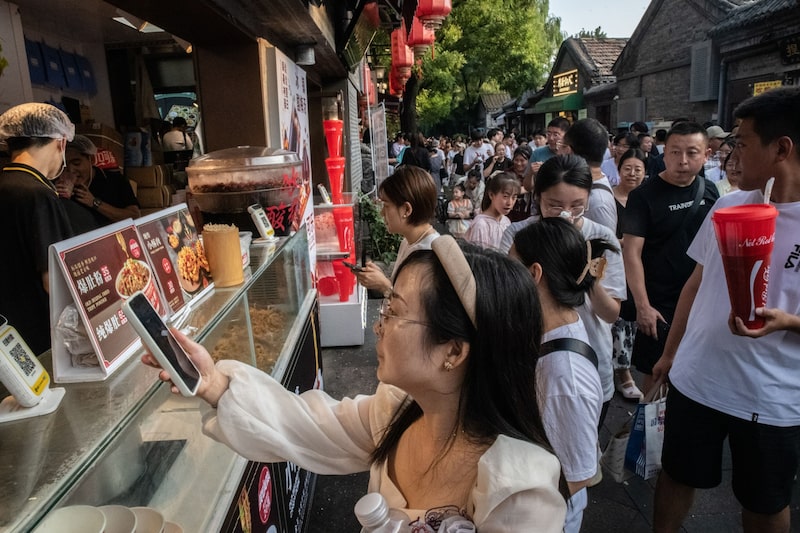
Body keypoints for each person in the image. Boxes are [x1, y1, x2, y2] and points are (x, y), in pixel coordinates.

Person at [143, 236, 569, 531]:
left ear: (453, 352)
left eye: (394, 311)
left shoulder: (517, 490)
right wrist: (213, 381)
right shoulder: (395, 413)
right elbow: (304, 423)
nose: (379, 328)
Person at [651, 86, 800, 533]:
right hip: (698, 378)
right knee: (676, 475)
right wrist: (670, 353)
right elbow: (696, 283)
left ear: (782, 149)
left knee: (765, 501)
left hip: (771, 396)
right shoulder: (731, 204)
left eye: (742, 142)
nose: (732, 154)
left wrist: (787, 322)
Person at [501, 154, 625, 429]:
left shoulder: (601, 237)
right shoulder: (518, 236)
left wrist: (587, 274)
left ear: (589, 199)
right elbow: (509, 300)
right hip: (531, 361)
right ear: (538, 198)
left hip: (589, 360)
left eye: (577, 205)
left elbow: (611, 314)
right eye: (554, 205)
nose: (567, 213)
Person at [511, 217, 613, 532]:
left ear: (534, 273)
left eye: (511, 267)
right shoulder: (552, 328)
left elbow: (579, 476)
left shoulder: (565, 378)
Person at [621, 121, 719, 394]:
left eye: (692, 152)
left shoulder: (709, 190)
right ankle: (649, 433)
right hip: (659, 305)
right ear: (664, 153)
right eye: (675, 152)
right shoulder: (644, 196)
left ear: (707, 155)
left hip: (700, 302)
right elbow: (632, 252)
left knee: (695, 372)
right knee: (656, 375)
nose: (683, 161)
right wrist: (643, 305)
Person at [0, 102, 76, 355]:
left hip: (8, 330)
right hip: (38, 332)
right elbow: (52, 280)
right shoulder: (38, 194)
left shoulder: (6, 182)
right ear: (60, 143)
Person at [355, 166, 439, 295]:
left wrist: (384, 286)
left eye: (386, 206)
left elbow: (413, 311)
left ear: (406, 210)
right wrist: (379, 277)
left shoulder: (428, 254)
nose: (382, 213)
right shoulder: (409, 241)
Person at [611, 149, 647, 400]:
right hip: (615, 266)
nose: (633, 174)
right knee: (620, 318)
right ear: (618, 168)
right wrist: (627, 242)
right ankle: (623, 373)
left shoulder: (646, 199)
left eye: (638, 169)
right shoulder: (606, 198)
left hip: (642, 267)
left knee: (635, 319)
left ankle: (627, 367)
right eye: (628, 168)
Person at [65, 135, 140, 224]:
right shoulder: (58, 185)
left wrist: (94, 203)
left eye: (76, 163)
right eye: (65, 165)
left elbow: (135, 216)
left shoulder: (115, 180)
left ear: (91, 160)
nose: (71, 170)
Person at [563, 118, 619, 233]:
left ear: (569, 150)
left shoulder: (598, 202)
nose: (559, 152)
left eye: (563, 146)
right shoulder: (586, 185)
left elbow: (607, 246)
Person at [464, 172, 519, 250]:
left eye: (514, 197)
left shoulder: (506, 221)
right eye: (505, 196)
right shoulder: (481, 224)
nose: (509, 202)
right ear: (491, 195)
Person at [524, 118, 570, 189]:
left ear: (566, 135)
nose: (551, 138)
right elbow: (527, 187)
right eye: (548, 134)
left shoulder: (572, 154)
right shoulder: (538, 152)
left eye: (556, 135)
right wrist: (530, 173)